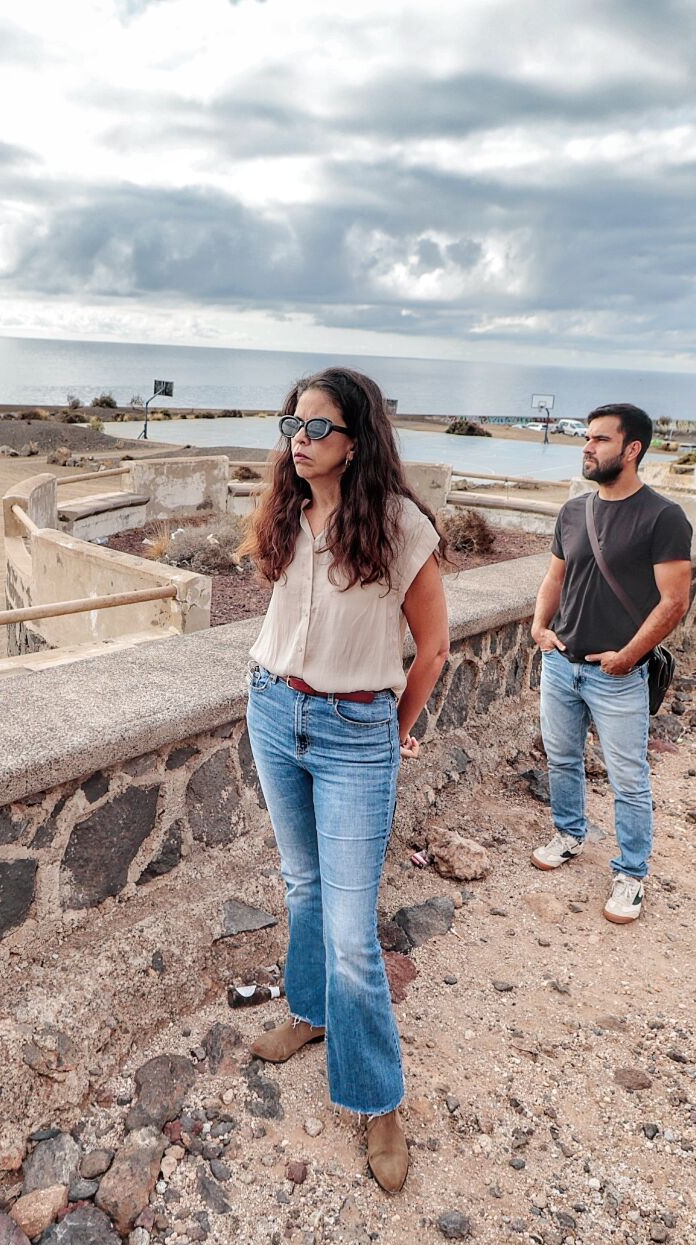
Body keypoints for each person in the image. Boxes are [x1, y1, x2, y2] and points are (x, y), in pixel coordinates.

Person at [238, 366, 449, 1194]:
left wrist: (392, 732)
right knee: (302, 883)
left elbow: (430, 650)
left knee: (354, 929)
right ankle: (309, 1011)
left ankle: (377, 1097)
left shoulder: (400, 526)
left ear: (357, 439)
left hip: (356, 728)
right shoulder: (284, 512)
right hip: (271, 708)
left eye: (317, 426)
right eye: (292, 421)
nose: (299, 436)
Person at [527, 403, 692, 924]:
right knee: (562, 758)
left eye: (599, 439)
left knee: (628, 777)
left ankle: (631, 873)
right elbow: (555, 577)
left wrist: (628, 657)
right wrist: (538, 627)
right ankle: (570, 834)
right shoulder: (574, 511)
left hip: (616, 675)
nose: (587, 447)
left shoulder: (663, 517)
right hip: (560, 664)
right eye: (587, 438)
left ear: (632, 449)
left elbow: (675, 601)